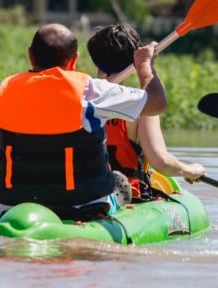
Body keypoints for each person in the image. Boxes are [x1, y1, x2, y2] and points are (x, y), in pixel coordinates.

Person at [0, 23, 167, 221]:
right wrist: (145, 65)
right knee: (116, 181)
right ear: (74, 60)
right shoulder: (90, 91)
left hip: (12, 204)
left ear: (30, 55)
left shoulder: (3, 90)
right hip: (80, 205)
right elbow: (157, 102)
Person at [86, 24, 206, 202]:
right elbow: (162, 162)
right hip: (128, 197)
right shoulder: (140, 105)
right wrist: (190, 170)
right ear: (133, 61)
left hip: (86, 192)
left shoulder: (79, 98)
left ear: (95, 59)